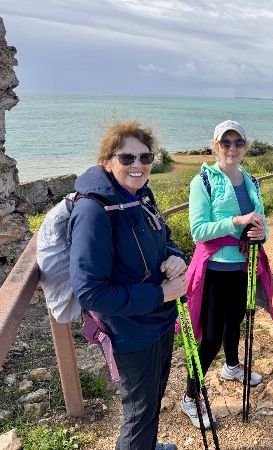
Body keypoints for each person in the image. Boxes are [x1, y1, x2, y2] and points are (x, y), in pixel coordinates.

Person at [69, 122, 187, 450]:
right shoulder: (93, 211)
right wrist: (161, 293)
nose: (138, 165)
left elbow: (165, 240)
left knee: (152, 400)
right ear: (107, 161)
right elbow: (90, 292)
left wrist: (175, 257)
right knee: (139, 412)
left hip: (159, 321)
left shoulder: (141, 195)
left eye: (145, 157)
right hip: (130, 332)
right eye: (127, 158)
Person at [180, 120, 273, 429]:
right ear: (216, 145)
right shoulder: (203, 182)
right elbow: (198, 231)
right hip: (215, 270)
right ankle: (190, 397)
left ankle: (232, 367)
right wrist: (236, 220)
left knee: (236, 322)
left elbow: (262, 224)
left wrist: (263, 232)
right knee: (210, 338)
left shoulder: (251, 181)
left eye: (238, 143)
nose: (232, 148)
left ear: (246, 146)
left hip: (244, 267)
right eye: (226, 143)